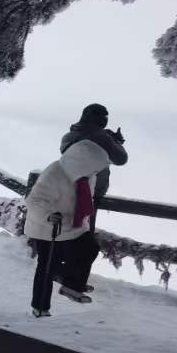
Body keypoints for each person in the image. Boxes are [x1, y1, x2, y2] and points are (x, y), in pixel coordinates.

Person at [23, 138, 112, 317]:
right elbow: (34, 200)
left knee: (90, 248)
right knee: (47, 265)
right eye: (94, 166)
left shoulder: (88, 175)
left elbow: (85, 198)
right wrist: (49, 215)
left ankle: (71, 286)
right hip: (49, 226)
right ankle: (40, 307)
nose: (96, 171)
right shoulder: (55, 172)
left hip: (74, 225)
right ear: (83, 163)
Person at [57, 103, 128, 298]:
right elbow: (121, 159)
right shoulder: (100, 137)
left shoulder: (69, 135)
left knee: (72, 237)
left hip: (68, 188)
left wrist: (109, 140)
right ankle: (73, 283)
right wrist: (114, 142)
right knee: (84, 240)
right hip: (88, 192)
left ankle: (67, 277)